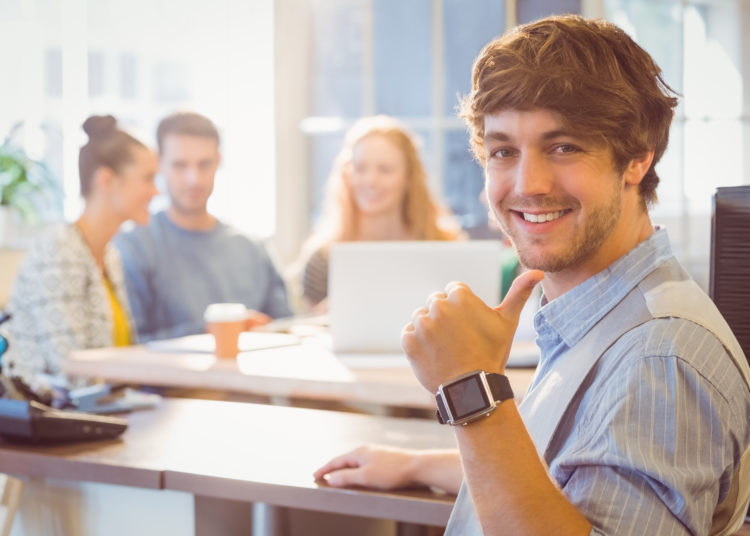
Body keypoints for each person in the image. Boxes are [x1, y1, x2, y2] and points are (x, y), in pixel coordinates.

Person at [315, 15, 750, 536]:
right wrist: (414, 464)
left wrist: (470, 389)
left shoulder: (659, 357)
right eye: (503, 151)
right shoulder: (601, 312)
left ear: (636, 159)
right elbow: (562, 482)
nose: (528, 184)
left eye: (563, 147)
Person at [3, 115, 158, 383]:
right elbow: (72, 370)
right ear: (107, 180)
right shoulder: (59, 250)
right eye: (148, 178)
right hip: (60, 416)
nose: (155, 191)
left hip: (108, 410)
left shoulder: (110, 255)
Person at [114, 112, 292, 342]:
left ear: (218, 161)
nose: (194, 179)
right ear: (159, 164)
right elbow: (132, 345)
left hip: (249, 376)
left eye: (204, 164)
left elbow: (288, 330)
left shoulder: (253, 250)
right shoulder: (134, 247)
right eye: (180, 165)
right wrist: (217, 332)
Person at [298, 115, 462, 310]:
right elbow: (308, 334)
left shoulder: (445, 249)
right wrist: (322, 318)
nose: (371, 181)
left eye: (385, 170)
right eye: (360, 168)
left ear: (408, 177)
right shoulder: (323, 259)